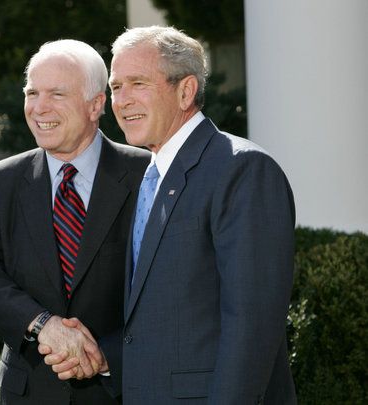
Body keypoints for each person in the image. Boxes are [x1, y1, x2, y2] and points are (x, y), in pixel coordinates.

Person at [46, 26, 297, 404]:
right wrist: (106, 357)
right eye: (116, 87)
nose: (123, 101)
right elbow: (163, 315)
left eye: (138, 83)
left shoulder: (241, 170)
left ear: (186, 91)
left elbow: (252, 327)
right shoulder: (149, 175)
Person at [0, 39, 150, 405]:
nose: (39, 107)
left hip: (123, 388)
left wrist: (107, 356)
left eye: (57, 94)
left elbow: (172, 287)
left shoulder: (147, 177)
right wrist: (42, 324)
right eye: (32, 93)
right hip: (29, 392)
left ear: (96, 105)